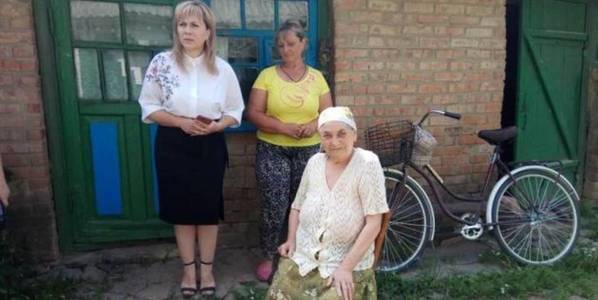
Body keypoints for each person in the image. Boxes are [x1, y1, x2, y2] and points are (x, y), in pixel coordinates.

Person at [137, 1, 244, 298]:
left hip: (209, 144)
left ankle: (207, 270)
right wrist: (180, 123)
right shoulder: (161, 63)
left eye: (194, 25)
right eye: (182, 24)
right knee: (182, 212)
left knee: (207, 211)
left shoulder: (222, 70)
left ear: (208, 32)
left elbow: (235, 111)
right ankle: (188, 270)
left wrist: (216, 126)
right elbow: (148, 106)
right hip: (173, 143)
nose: (187, 30)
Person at [266, 106, 389, 300]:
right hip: (304, 257)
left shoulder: (367, 163)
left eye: (342, 134)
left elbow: (374, 223)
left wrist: (346, 268)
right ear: (321, 139)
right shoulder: (315, 162)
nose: (335, 142)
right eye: (327, 135)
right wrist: (291, 239)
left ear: (354, 135)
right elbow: (297, 206)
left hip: (346, 264)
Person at [246, 19, 333, 281]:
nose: (286, 49)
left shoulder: (317, 78)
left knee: (307, 206)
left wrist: (311, 124)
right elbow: (253, 113)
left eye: (291, 44)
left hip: (309, 151)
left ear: (303, 44)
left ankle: (303, 256)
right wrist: (282, 128)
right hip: (273, 149)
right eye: (281, 45)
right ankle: (268, 255)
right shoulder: (267, 76)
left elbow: (328, 113)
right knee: (275, 204)